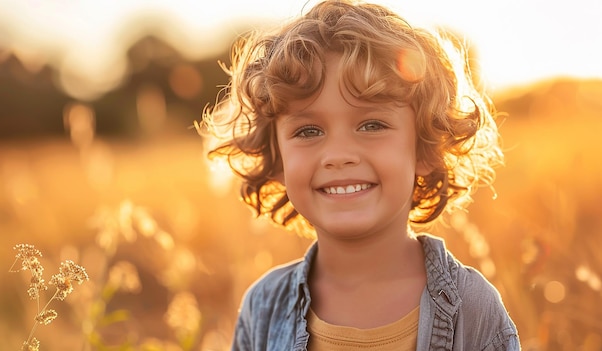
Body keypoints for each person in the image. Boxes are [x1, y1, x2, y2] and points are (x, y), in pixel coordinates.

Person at [198, 0, 520, 349]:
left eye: (371, 125)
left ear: (426, 149)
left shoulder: (473, 311)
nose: (338, 156)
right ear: (277, 160)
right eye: (308, 131)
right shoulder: (263, 309)